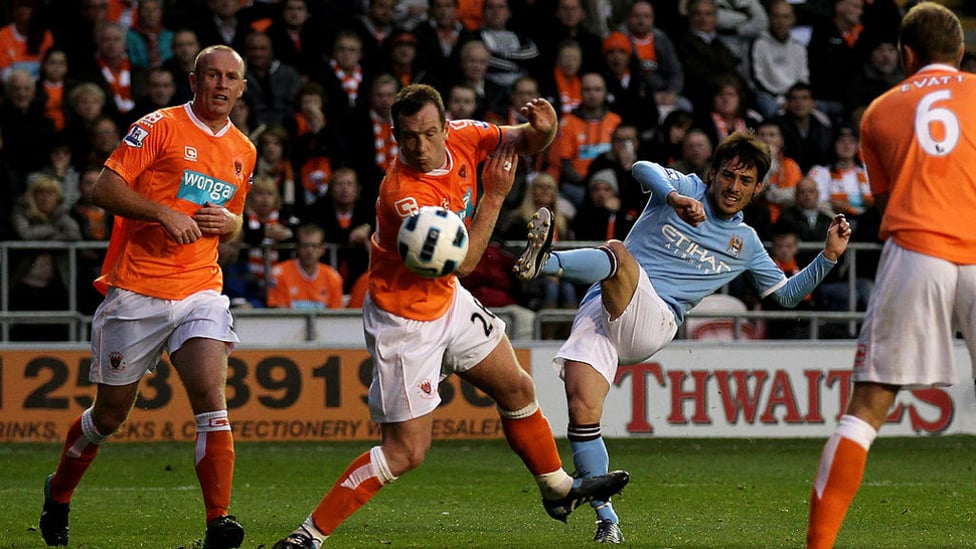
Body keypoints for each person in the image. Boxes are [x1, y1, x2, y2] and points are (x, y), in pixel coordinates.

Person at [271, 83, 629, 549]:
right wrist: (495, 197)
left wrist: (545, 129)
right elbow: (465, 261)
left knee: (517, 386)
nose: (419, 147)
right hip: (405, 320)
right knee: (406, 452)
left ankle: (558, 488)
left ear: (444, 126)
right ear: (394, 135)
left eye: (428, 134)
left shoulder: (465, 134)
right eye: (408, 138)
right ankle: (308, 536)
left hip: (448, 300)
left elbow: (521, 140)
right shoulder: (403, 195)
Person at [514, 130, 852, 544]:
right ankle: (608, 520)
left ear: (758, 188)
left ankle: (545, 262)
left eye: (746, 181)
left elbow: (784, 295)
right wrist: (673, 197)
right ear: (713, 173)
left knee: (618, 253)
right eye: (728, 175)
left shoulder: (744, 243)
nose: (733, 187)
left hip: (652, 321)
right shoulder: (686, 187)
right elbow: (640, 168)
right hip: (603, 307)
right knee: (583, 411)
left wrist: (829, 257)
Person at [39, 44, 256, 549]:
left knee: (211, 398)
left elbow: (235, 224)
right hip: (138, 291)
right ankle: (60, 492)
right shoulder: (158, 126)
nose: (221, 85)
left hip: (201, 287)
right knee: (109, 416)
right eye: (212, 76)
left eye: (231, 78)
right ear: (194, 80)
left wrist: (235, 223)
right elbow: (102, 189)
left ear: (242, 88)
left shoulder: (244, 149)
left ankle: (218, 521)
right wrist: (161, 212)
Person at [806, 6, 976, 545]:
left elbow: (882, 201)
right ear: (962, 54)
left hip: (917, 250)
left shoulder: (878, 111)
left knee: (868, 407)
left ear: (905, 56)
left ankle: (819, 545)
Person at [266, 224, 345, 310]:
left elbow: (335, 315)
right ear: (297, 248)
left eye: (314, 246)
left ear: (322, 249)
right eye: (305, 246)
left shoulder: (333, 277)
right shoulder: (280, 274)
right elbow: (278, 314)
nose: (309, 251)